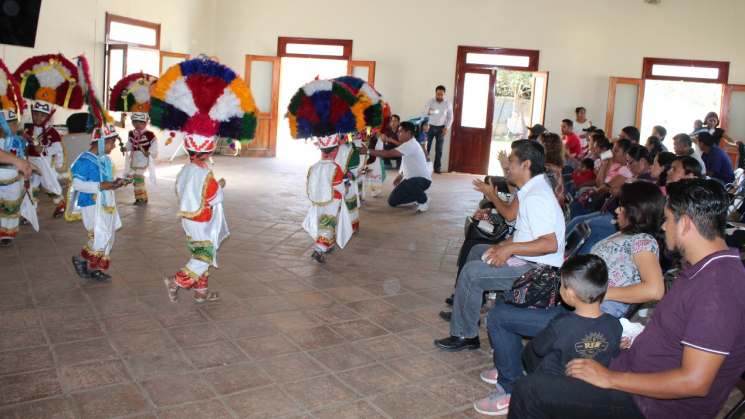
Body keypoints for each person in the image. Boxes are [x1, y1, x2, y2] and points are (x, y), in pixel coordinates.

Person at [509, 178, 745, 419]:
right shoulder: (703, 269)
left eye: (667, 220)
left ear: (684, 224)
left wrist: (610, 378)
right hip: (633, 369)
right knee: (539, 354)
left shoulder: (718, 290)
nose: (664, 227)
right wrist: (638, 341)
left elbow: (695, 382)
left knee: (529, 391)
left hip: (651, 406)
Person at [478, 181, 665, 415]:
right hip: (575, 302)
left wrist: (600, 293)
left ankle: (509, 387)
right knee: (508, 298)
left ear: (638, 211)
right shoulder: (626, 235)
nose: (617, 210)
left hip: (584, 316)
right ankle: (511, 366)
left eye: (623, 207)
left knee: (498, 317)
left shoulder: (643, 242)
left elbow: (655, 290)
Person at [434, 140, 565, 351]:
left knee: (471, 273)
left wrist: (509, 249)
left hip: (538, 270)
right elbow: (524, 231)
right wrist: (502, 245)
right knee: (477, 251)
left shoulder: (536, 196)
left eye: (511, 161)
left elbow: (549, 244)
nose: (507, 165)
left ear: (526, 165)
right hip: (530, 259)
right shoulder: (531, 188)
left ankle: (465, 335)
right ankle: (467, 313)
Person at [475, 254, 622, 416]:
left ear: (570, 293)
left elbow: (537, 350)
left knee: (531, 353)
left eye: (561, 284)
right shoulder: (615, 325)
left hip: (551, 388)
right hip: (586, 391)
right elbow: (614, 353)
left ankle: (509, 387)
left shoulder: (561, 324)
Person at [67, 123, 124, 281]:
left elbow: (107, 180)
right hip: (91, 204)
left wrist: (119, 182)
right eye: (112, 142)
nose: (114, 146)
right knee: (99, 238)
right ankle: (80, 259)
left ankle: (95, 269)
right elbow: (77, 184)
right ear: (102, 142)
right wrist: (99, 186)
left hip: (106, 204)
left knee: (108, 237)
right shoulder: (83, 161)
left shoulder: (106, 160)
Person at [109, 72, 159, 205]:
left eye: (140, 122)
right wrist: (125, 148)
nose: (137, 124)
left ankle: (141, 197)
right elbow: (130, 144)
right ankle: (140, 197)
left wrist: (150, 152)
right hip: (134, 158)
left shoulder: (149, 135)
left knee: (138, 178)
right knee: (136, 178)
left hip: (143, 158)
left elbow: (154, 145)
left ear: (145, 123)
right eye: (135, 122)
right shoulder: (131, 133)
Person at [359, 121, 432, 212]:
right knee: (392, 201)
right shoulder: (407, 145)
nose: (398, 133)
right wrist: (401, 175)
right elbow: (409, 163)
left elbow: (388, 153)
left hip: (422, 180)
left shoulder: (411, 145)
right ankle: (420, 196)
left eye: (400, 131)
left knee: (409, 182)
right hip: (411, 180)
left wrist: (367, 151)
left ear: (408, 132)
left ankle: (423, 200)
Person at [569, 138, 632, 219]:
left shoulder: (626, 170)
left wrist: (593, 191)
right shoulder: (616, 165)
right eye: (613, 149)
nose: (613, 152)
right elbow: (599, 184)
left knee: (576, 209)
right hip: (601, 198)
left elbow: (604, 187)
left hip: (606, 204)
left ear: (626, 154)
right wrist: (604, 165)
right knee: (575, 204)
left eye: (616, 151)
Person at [0, 64, 27, 247]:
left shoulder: (18, 141)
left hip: (12, 180)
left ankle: (7, 233)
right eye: (13, 124)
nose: (17, 127)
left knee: (11, 205)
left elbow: (22, 158)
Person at [421, 85, 454, 174]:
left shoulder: (448, 104)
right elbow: (424, 111)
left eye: (441, 94)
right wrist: (432, 111)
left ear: (444, 94)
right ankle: (424, 166)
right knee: (426, 148)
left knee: (439, 150)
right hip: (429, 127)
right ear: (435, 93)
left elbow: (450, 118)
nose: (440, 96)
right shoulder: (430, 102)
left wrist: (446, 128)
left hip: (441, 128)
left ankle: (437, 167)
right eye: (438, 94)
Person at [537, 132, 565, 205]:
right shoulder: (546, 167)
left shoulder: (550, 171)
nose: (534, 148)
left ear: (547, 150)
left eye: (538, 145)